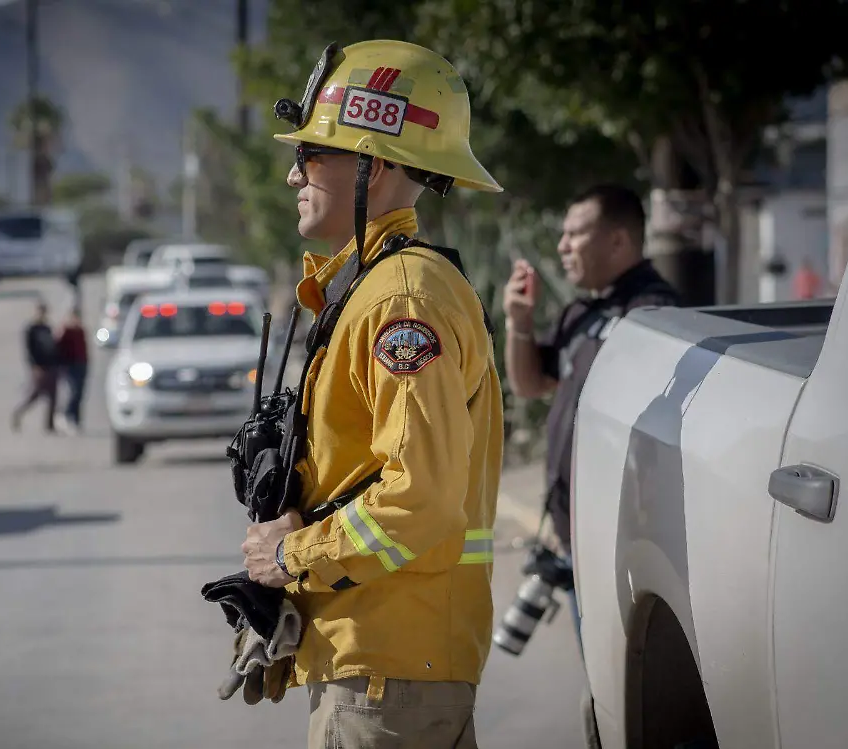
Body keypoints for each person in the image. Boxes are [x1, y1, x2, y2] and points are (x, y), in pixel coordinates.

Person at [238, 40, 504, 748]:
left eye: (312, 154)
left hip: (389, 675)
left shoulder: (401, 301)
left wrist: (289, 555)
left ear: (375, 164)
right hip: (382, 665)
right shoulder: (370, 290)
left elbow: (418, 498)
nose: (294, 173)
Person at [501, 183, 681, 640]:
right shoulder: (582, 310)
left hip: (619, 539)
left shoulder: (653, 313)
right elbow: (530, 383)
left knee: (620, 682)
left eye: (575, 234)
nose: (562, 247)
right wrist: (519, 322)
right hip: (573, 535)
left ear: (618, 240)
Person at [12, 301, 59, 433]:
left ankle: (49, 424)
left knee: (53, 397)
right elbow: (29, 350)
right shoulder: (31, 329)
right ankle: (19, 413)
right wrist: (34, 366)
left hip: (51, 366)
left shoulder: (47, 328)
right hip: (39, 366)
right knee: (35, 395)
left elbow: (53, 347)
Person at [56, 307, 89, 434]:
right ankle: (65, 414)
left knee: (80, 394)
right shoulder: (66, 331)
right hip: (70, 365)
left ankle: (76, 419)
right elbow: (59, 347)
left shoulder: (80, 330)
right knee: (73, 392)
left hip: (82, 364)